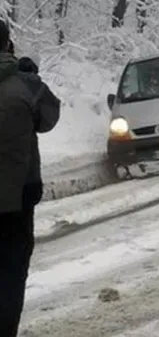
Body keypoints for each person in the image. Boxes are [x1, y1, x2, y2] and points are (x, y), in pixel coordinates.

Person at [0, 22, 60, 336]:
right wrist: (33, 79)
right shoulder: (24, 85)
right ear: (8, 45)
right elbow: (48, 118)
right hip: (16, 198)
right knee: (10, 272)